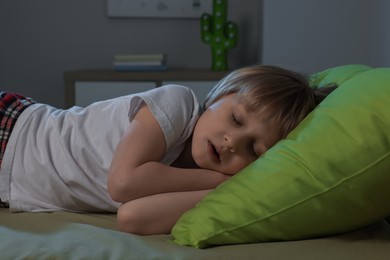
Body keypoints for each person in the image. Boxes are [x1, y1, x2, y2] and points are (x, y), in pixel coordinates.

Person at [0, 65, 336, 235]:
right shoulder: (177, 104)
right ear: (219, 96)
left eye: (254, 149)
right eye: (235, 118)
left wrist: (236, 185)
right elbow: (122, 184)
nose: (233, 142)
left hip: (10, 182)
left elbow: (132, 217)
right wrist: (219, 182)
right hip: (13, 131)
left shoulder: (202, 177)